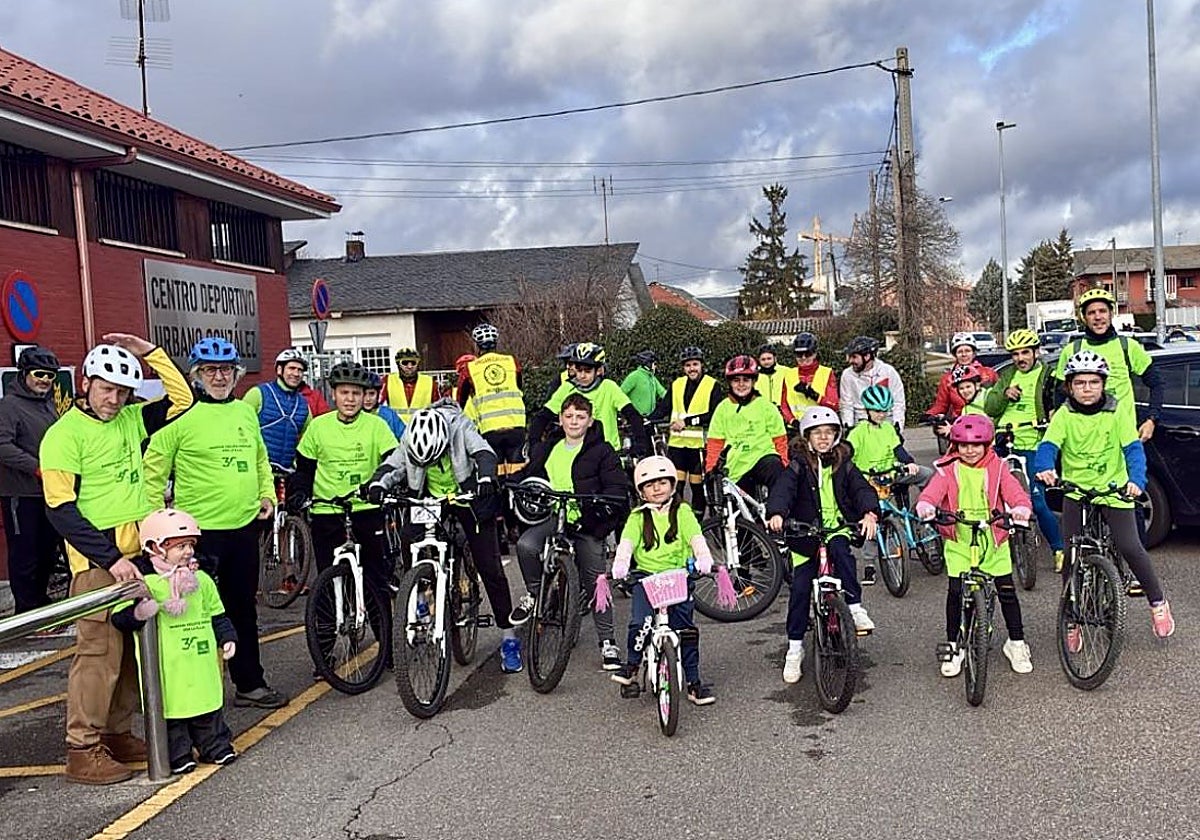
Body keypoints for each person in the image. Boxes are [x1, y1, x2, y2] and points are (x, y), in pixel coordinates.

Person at [39, 333, 193, 785]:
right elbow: (60, 510)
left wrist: (150, 353)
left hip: (136, 555)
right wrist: (109, 557)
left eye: (124, 391)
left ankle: (118, 733)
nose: (114, 399)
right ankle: (82, 748)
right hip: (96, 563)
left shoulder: (130, 420)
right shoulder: (63, 436)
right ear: (86, 382)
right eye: (107, 388)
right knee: (98, 654)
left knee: (131, 655)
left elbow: (182, 398)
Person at [143, 337, 286, 710]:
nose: (219, 377)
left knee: (242, 608)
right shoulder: (183, 415)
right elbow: (154, 469)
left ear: (236, 374)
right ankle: (196, 696)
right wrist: (155, 522)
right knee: (193, 612)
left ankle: (250, 683)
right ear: (197, 375)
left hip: (242, 527)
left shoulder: (244, 412)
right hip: (196, 537)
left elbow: (259, 458)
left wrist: (267, 495)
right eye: (210, 370)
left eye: (225, 370)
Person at [365, 401, 525, 673]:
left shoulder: (460, 426)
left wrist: (486, 478)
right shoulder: (413, 434)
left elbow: (484, 453)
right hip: (430, 499)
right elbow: (394, 465)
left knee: (489, 567)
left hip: (469, 498)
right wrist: (378, 482)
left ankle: (509, 637)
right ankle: (418, 594)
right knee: (408, 537)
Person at [1034, 350, 1175, 638]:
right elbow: (1048, 445)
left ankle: (1157, 601)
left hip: (1113, 491)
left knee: (1130, 546)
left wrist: (1136, 480)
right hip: (1077, 491)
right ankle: (1072, 617)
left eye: (1093, 382)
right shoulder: (1065, 414)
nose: (1087, 389)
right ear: (1069, 386)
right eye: (1080, 383)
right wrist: (1045, 466)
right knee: (1072, 555)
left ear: (1103, 384)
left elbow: (1133, 449)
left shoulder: (1117, 411)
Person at [110, 509, 237, 774]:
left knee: (209, 709)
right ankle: (178, 755)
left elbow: (217, 614)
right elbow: (119, 618)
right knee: (171, 715)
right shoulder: (143, 582)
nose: (188, 551)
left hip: (201, 663)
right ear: (155, 548)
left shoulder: (201, 579)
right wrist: (137, 613)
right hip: (166, 667)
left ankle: (215, 746)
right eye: (180, 546)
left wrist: (227, 637)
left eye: (191, 544)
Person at [508, 394, 630, 669]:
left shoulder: (602, 450)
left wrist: (606, 502)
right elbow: (528, 473)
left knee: (595, 580)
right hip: (554, 514)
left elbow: (616, 486)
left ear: (590, 421)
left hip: (587, 521)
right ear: (561, 419)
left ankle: (608, 642)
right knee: (527, 546)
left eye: (581, 417)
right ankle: (534, 594)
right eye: (569, 416)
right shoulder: (548, 447)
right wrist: (506, 483)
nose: (574, 421)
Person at [767, 406, 880, 682]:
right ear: (807, 437)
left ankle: (854, 607)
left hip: (835, 529)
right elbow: (783, 489)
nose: (823, 438)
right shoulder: (798, 465)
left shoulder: (844, 463)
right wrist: (777, 513)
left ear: (837, 436)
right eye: (817, 433)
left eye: (829, 433)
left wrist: (869, 513)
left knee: (843, 556)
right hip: (805, 534)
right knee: (801, 589)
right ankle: (795, 649)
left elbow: (861, 489)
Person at [917, 414, 1034, 676]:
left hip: (993, 538)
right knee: (956, 592)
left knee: (1006, 591)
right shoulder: (948, 469)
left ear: (987, 444)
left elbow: (1013, 491)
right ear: (955, 445)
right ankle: (954, 645)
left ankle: (1016, 643)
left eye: (976, 445)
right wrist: (926, 506)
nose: (970, 450)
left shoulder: (998, 467)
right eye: (963, 445)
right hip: (959, 538)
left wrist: (1020, 507)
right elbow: (933, 491)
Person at [609, 455, 717, 706]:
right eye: (649, 485)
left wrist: (703, 557)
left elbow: (695, 536)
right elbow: (627, 543)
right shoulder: (637, 517)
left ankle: (693, 683)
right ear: (641, 491)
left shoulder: (682, 511)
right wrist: (621, 564)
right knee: (640, 623)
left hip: (678, 578)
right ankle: (633, 666)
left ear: (672, 484)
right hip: (646, 579)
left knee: (687, 632)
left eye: (662, 482)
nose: (657, 489)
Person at [290, 362, 398, 609]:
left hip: (366, 509)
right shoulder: (319, 426)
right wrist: (299, 493)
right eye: (344, 393)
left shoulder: (377, 426)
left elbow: (392, 461)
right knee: (326, 581)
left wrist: (384, 486)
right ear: (334, 394)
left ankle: (384, 640)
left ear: (364, 396)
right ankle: (324, 642)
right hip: (327, 511)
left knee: (375, 579)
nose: (350, 399)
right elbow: (304, 469)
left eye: (356, 394)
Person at [984, 329, 1063, 570]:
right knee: (994, 498)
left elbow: (1060, 402)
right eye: (1016, 354)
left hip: (1034, 443)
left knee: (1036, 501)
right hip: (1005, 440)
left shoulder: (1048, 375)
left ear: (1035, 352)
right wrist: (1005, 395)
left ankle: (1059, 548)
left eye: (1025, 353)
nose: (1020, 358)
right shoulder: (1007, 376)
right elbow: (990, 407)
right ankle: (996, 551)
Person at [846, 384, 933, 586]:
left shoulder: (887, 428)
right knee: (871, 518)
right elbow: (847, 456)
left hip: (892, 474)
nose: (881, 415)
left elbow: (898, 450)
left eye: (885, 410)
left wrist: (910, 462)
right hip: (868, 481)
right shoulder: (858, 432)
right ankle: (869, 564)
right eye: (877, 411)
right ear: (867, 410)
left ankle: (924, 511)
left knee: (927, 474)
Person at [1053, 288, 1163, 442]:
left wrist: (1152, 419)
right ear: (1084, 318)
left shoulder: (1128, 346)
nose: (1098, 317)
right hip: (1083, 438)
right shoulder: (1071, 350)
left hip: (1122, 437)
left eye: (1102, 311)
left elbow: (1156, 384)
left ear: (1111, 313)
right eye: (1091, 313)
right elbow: (1060, 393)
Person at [0, 345, 63, 614]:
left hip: (49, 493)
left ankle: (39, 604)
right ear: (24, 373)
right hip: (20, 494)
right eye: (39, 373)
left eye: (50, 376)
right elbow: (2, 445)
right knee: (25, 554)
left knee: (47, 552)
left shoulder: (48, 405)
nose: (45, 380)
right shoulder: (9, 406)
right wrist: (37, 468)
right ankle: (26, 610)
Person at [530, 342, 649, 457]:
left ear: (598, 370)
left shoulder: (609, 387)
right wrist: (534, 444)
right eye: (579, 370)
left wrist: (640, 442)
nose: (582, 375)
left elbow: (632, 414)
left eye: (587, 371)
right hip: (576, 454)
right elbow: (543, 417)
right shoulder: (567, 388)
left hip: (608, 454)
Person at [652, 346, 722, 521]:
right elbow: (663, 409)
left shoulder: (712, 385)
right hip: (677, 446)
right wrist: (644, 419)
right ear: (683, 368)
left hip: (698, 447)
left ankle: (697, 522)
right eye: (688, 365)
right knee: (676, 486)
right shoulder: (676, 384)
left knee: (697, 486)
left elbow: (714, 414)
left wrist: (688, 421)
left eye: (695, 364)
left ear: (702, 365)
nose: (692, 368)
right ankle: (677, 520)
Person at [704, 355, 787, 498]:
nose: (741, 384)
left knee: (777, 472)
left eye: (746, 380)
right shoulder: (722, 408)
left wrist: (784, 464)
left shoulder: (766, 407)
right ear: (730, 383)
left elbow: (780, 439)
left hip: (763, 459)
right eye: (736, 380)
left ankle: (778, 515)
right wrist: (710, 468)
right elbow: (715, 443)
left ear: (753, 381)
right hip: (735, 466)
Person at [456, 324, 528, 481]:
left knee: (496, 472)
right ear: (496, 343)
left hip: (490, 428)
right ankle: (518, 502)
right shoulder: (511, 362)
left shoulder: (471, 368)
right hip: (516, 425)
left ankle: (501, 502)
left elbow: (460, 400)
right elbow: (519, 387)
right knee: (518, 471)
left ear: (476, 345)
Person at [243, 347, 313, 469]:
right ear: (280, 369)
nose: (296, 374)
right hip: (258, 469)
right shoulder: (258, 394)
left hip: (288, 472)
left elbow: (310, 438)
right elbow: (239, 427)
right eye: (292, 368)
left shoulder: (303, 405)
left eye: (300, 370)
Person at [924, 333, 998, 425]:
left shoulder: (988, 373)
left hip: (985, 424)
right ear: (955, 355)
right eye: (960, 352)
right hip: (959, 424)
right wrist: (929, 415)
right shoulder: (948, 378)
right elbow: (941, 405)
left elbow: (999, 398)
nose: (964, 354)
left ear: (974, 353)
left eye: (967, 351)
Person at [839, 336, 907, 430]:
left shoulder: (888, 372)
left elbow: (898, 402)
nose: (850, 361)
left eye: (854, 357)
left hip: (885, 421)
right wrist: (848, 427)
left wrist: (898, 426)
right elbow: (846, 405)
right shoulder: (847, 375)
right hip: (860, 423)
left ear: (867, 356)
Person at [779, 332, 838, 425]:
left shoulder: (826, 373)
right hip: (796, 427)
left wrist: (813, 395)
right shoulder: (788, 374)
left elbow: (834, 405)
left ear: (814, 354)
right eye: (799, 354)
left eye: (808, 354)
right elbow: (783, 405)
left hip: (820, 425)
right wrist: (792, 421)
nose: (803, 357)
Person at [381, 347, 436, 424]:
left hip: (423, 427)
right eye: (405, 363)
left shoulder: (429, 381)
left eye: (413, 363)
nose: (409, 367)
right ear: (398, 364)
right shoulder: (387, 380)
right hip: (396, 428)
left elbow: (439, 407)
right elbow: (377, 405)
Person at [619, 349, 666, 418]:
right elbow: (620, 394)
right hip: (635, 418)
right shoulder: (635, 376)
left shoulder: (652, 378)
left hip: (649, 417)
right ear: (648, 363)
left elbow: (663, 393)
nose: (655, 366)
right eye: (654, 364)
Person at [363, 372, 407, 440]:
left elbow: (404, 437)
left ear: (378, 394)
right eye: (364, 394)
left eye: (372, 394)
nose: (368, 399)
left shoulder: (388, 414)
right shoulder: (354, 414)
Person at [755, 344, 796, 413]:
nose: (766, 362)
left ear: (775, 358)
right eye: (763, 359)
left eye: (769, 358)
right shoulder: (754, 375)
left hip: (783, 413)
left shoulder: (786, 371)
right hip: (761, 413)